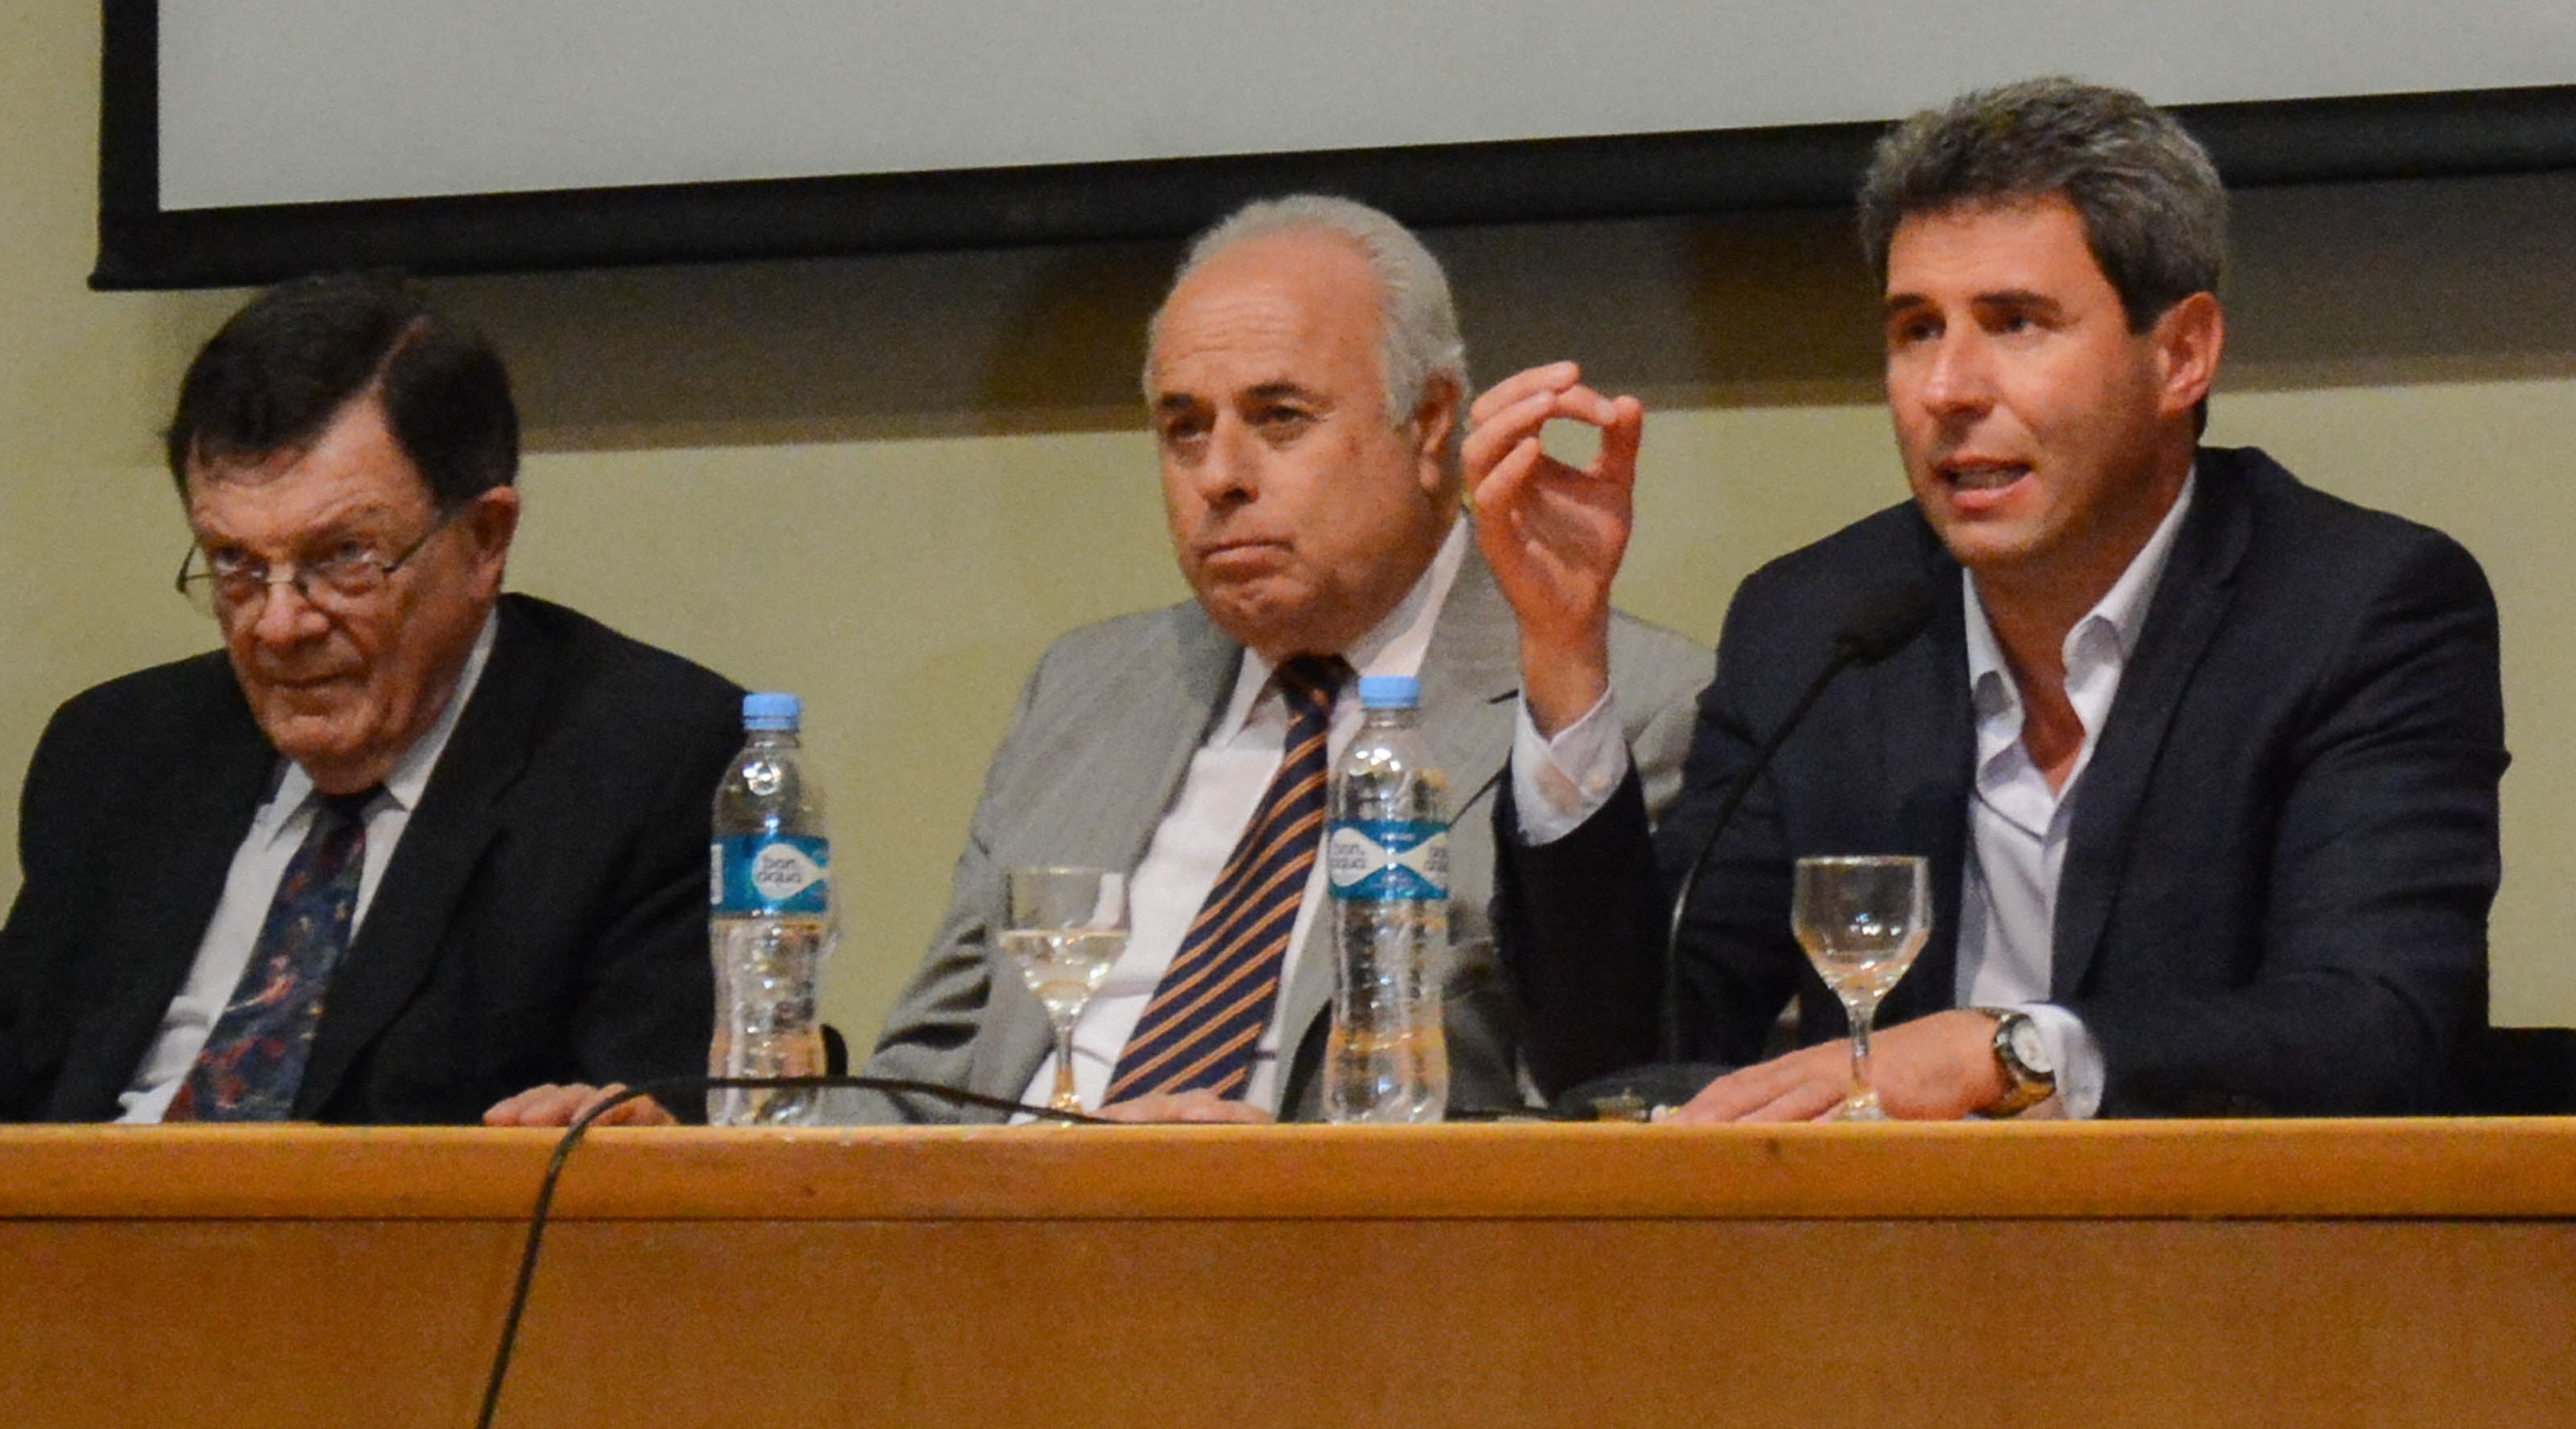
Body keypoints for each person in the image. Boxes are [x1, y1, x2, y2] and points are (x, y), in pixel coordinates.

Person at [1466, 78, 2506, 1119]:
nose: (1947, 389)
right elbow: (1622, 1057)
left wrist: (2009, 1052)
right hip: (1882, 1230)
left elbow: (2374, 1026)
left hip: (2226, 1224)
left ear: (2180, 354)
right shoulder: (1817, 627)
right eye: (1916, 328)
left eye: (2014, 323)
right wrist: (1564, 645)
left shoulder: (2356, 611)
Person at [850, 195, 1710, 1122]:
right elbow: (923, 1080)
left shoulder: (1619, 708)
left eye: (1279, 417)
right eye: (1184, 427)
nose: (1219, 475)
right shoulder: (1086, 686)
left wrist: (1274, 1177)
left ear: (1428, 422)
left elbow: (1603, 1113)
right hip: (1016, 1199)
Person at [0, 274, 744, 1126]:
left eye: (343, 556)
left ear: (484, 540)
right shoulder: (116, 752)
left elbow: (654, 1132)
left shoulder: (648, 763)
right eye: (237, 564)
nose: (278, 624)